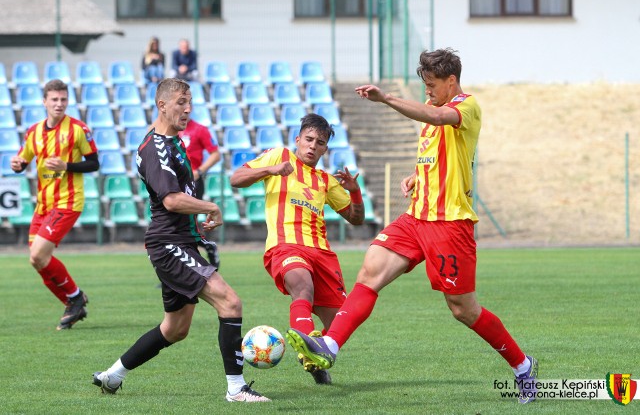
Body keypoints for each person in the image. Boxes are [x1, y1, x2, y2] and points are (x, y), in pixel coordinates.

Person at [286, 48, 539, 404]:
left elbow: (438, 119)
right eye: (424, 85)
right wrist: (416, 177)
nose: (427, 92)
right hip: (416, 218)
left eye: (432, 85)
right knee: (370, 272)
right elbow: (436, 156)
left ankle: (523, 365)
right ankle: (329, 344)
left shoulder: (466, 106)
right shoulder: (433, 111)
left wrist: (386, 98)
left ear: (451, 81)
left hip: (449, 224)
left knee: (462, 309)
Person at [92, 78, 269, 403]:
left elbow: (175, 200)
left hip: (180, 242)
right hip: (168, 245)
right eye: (180, 103)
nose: (187, 109)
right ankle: (236, 389)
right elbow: (171, 200)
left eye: (190, 102)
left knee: (175, 329)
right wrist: (210, 206)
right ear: (162, 105)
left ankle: (111, 376)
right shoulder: (156, 147)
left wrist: (197, 228)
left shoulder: (173, 142)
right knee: (230, 303)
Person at [230, 113, 365, 385]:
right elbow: (237, 178)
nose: (313, 146)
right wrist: (270, 170)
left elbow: (356, 218)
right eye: (309, 139)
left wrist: (354, 192)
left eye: (320, 142)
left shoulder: (326, 181)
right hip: (286, 245)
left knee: (341, 320)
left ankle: (315, 359)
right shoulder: (279, 156)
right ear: (298, 139)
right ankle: (308, 347)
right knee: (302, 287)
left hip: (322, 254)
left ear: (326, 148)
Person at [10, 79, 98, 331]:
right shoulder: (33, 131)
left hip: (68, 201)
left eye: (63, 99)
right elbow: (23, 161)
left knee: (39, 254)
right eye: (54, 99)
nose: (59, 104)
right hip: (43, 205)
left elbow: (94, 163)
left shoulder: (78, 129)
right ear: (45, 101)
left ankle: (75, 298)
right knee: (36, 260)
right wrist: (17, 165)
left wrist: (66, 166)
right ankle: (73, 301)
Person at [179, 118, 221, 264]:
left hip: (192, 183)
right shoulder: (169, 130)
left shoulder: (199, 129)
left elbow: (216, 154)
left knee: (185, 225)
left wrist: (200, 171)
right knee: (177, 227)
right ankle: (206, 247)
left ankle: (205, 249)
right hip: (173, 182)